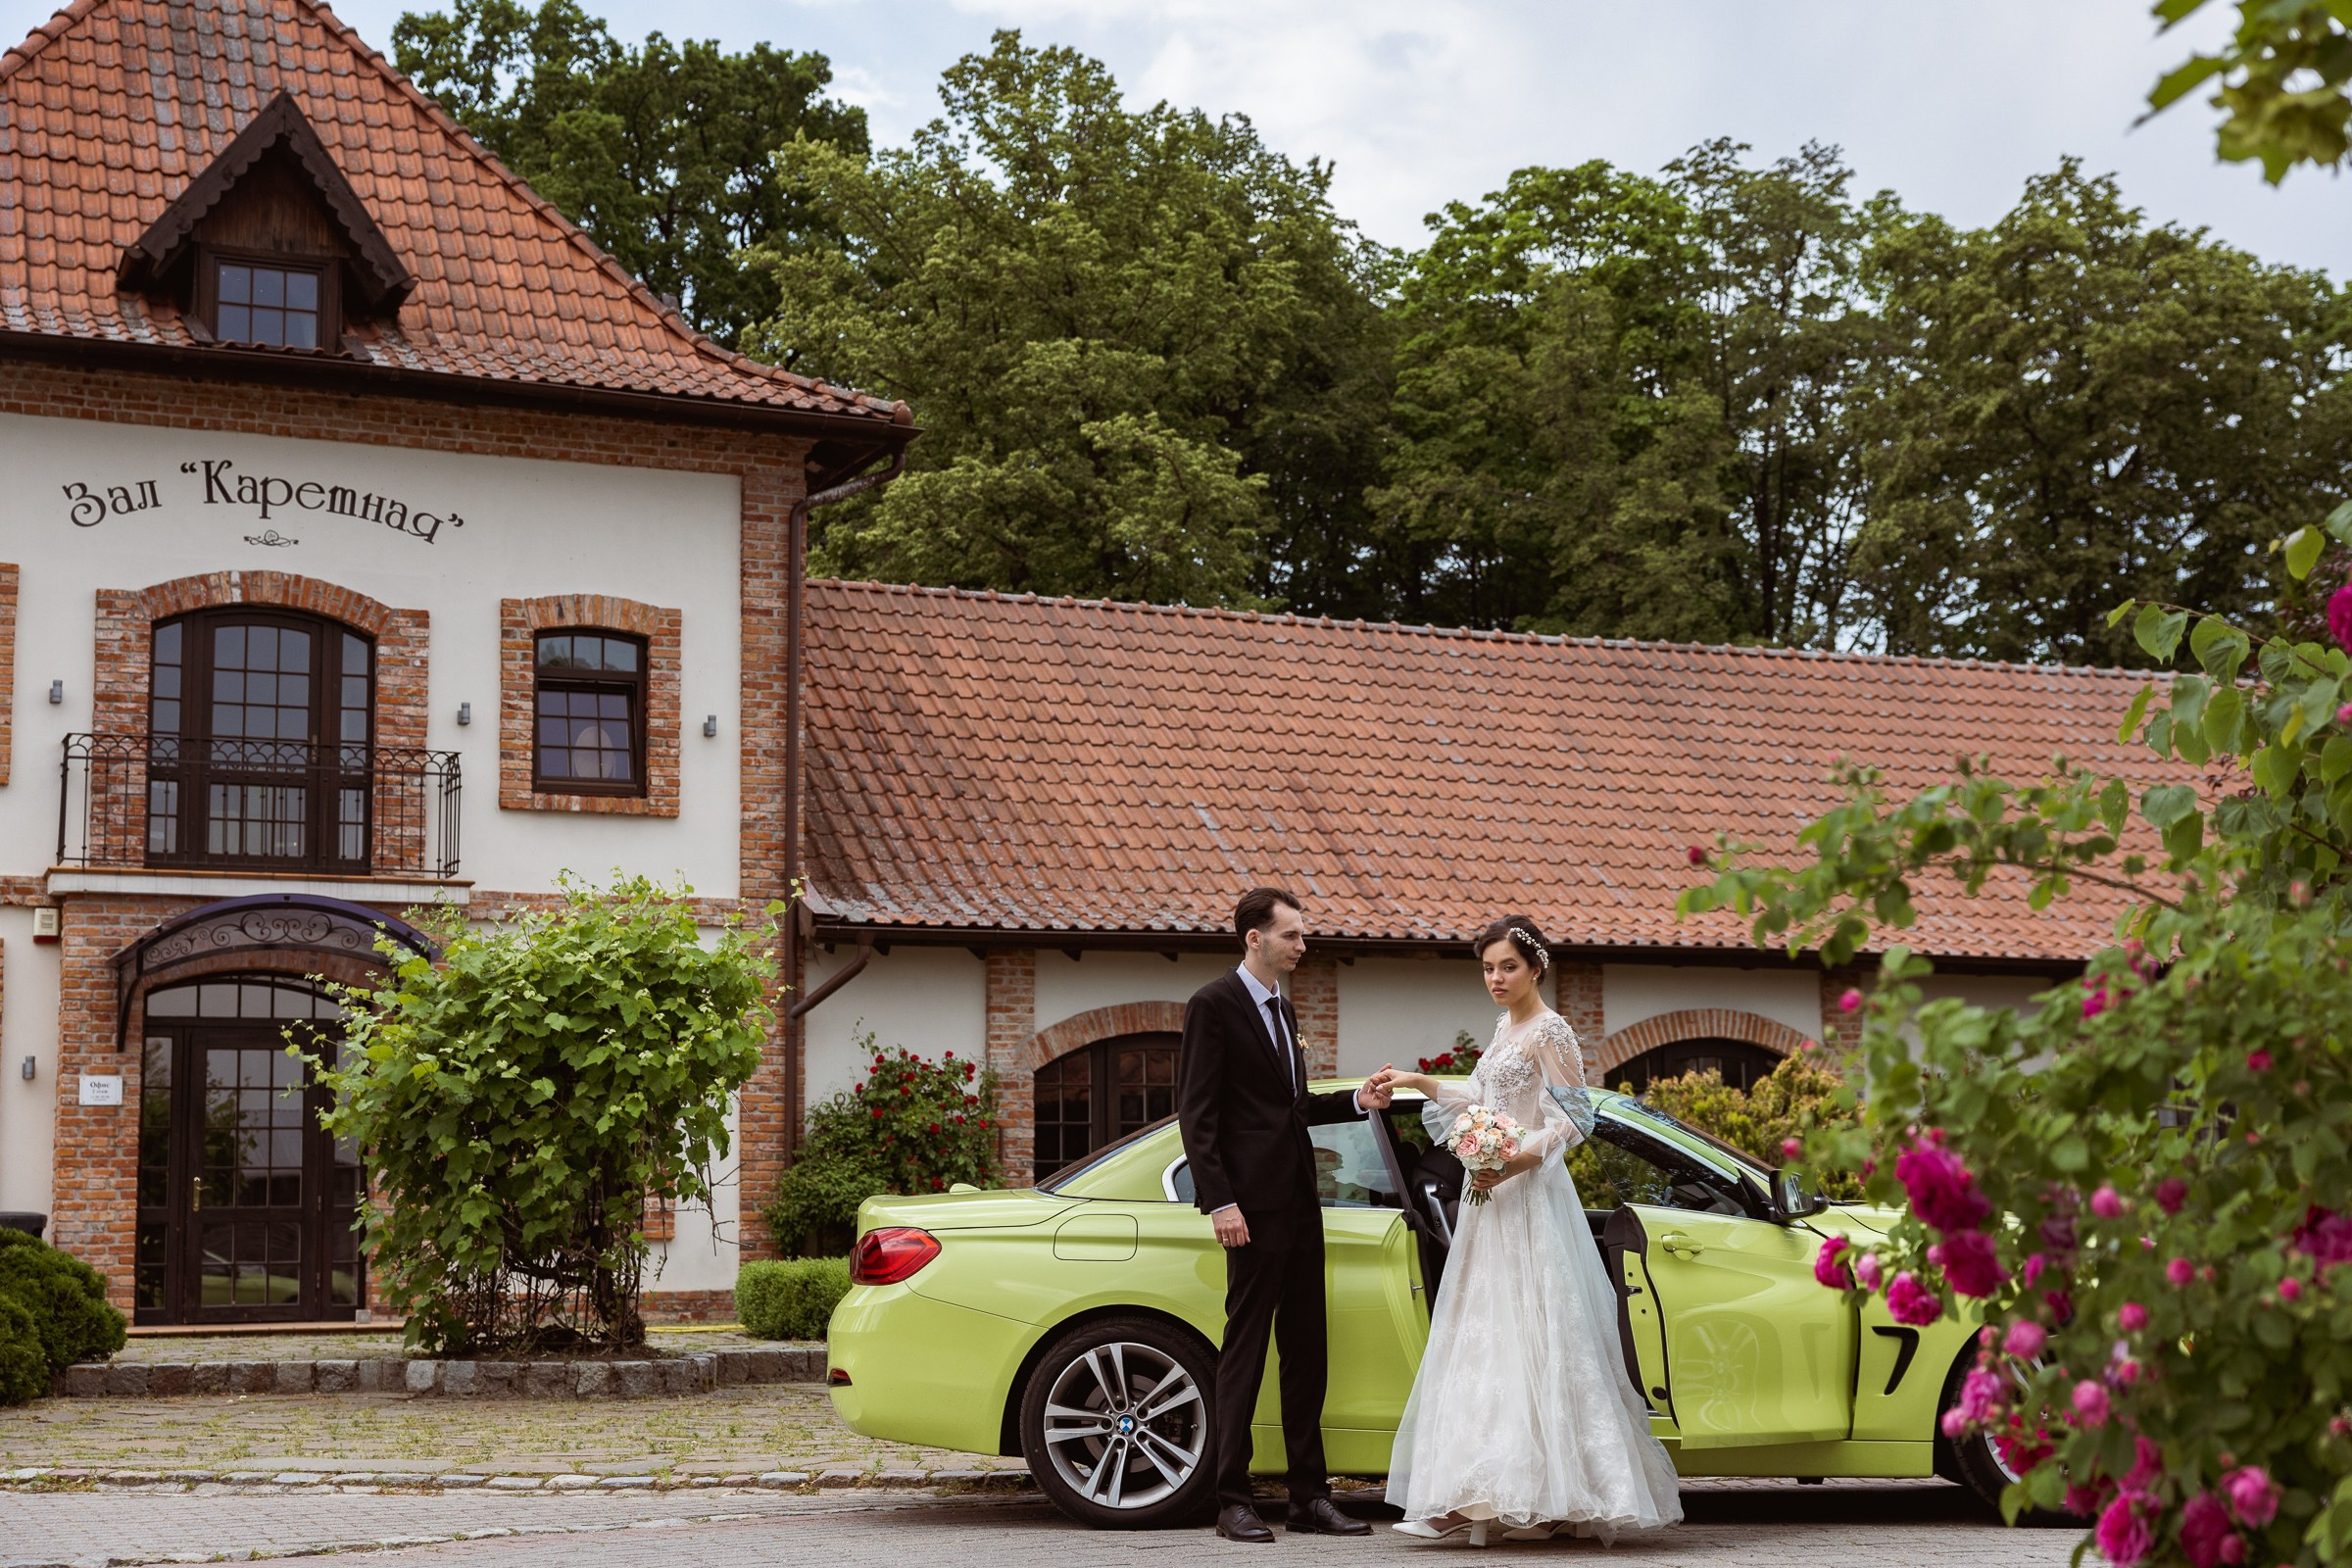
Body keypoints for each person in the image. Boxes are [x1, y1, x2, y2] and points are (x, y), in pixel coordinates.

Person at [1373, 915, 1684, 1545]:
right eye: (1487, 968)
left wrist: (1510, 1161)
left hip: (1532, 1200)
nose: (1495, 978)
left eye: (1507, 967)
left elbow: (1575, 1119)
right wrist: (1418, 1082)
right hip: (1492, 1205)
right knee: (1485, 1338)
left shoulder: (1551, 1030)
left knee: (1540, 1334)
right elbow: (1485, 1102)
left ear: (1535, 967)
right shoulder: (1504, 1026)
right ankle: (1483, 1493)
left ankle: (1544, 1492)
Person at [1176, 886, 1396, 1543]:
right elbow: (1199, 1113)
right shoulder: (1213, 1005)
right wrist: (1220, 1200)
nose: (1304, 945)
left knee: (1307, 1350)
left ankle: (1308, 1496)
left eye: (1302, 935)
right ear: (1255, 938)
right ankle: (1231, 1498)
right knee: (1244, 1352)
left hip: (1302, 1205)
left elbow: (1287, 1110)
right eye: (1293, 935)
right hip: (1249, 1211)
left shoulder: (1281, 1007)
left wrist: (1356, 1100)